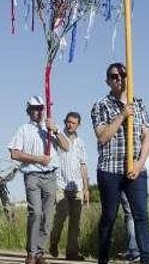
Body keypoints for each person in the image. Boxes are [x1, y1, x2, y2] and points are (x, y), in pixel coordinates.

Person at [91, 62, 149, 264]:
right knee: (109, 216)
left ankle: (146, 258)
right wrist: (123, 114)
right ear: (108, 81)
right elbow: (102, 136)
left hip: (134, 169)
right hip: (109, 169)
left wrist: (139, 164)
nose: (119, 79)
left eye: (123, 75)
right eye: (114, 76)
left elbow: (147, 137)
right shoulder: (101, 105)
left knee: (141, 215)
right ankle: (103, 258)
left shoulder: (139, 103)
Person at [9, 95, 70, 264]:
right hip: (33, 175)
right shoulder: (23, 129)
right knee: (35, 212)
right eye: (35, 108)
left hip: (50, 176)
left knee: (48, 216)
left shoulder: (49, 128)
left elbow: (66, 146)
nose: (38, 112)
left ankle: (40, 252)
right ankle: (31, 251)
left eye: (41, 108)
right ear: (28, 111)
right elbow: (15, 153)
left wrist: (56, 130)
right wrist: (37, 159)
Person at [49, 112, 90, 261]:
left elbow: (83, 166)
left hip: (77, 186)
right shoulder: (57, 138)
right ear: (64, 122)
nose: (70, 124)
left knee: (75, 222)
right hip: (61, 184)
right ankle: (54, 242)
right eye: (68, 122)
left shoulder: (81, 142)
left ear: (78, 125)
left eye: (73, 123)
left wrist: (86, 189)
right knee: (60, 216)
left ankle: (72, 252)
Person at [119, 144, 149, 262]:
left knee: (141, 215)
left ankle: (138, 250)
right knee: (131, 214)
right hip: (127, 178)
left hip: (142, 182)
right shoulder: (127, 140)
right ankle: (134, 250)